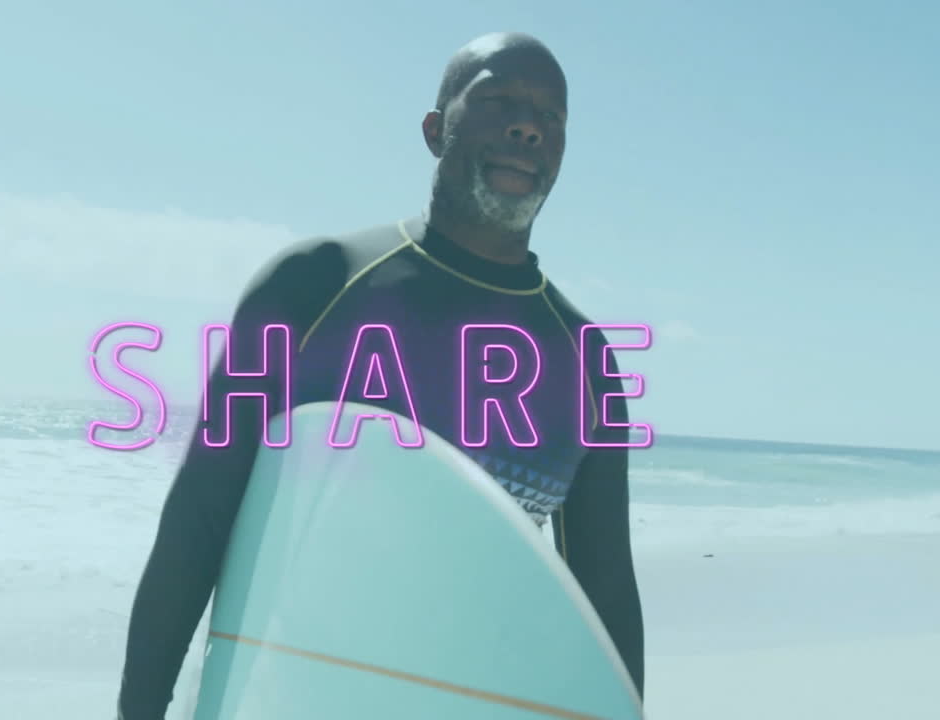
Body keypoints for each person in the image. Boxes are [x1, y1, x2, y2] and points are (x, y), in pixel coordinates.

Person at [117, 31, 645, 718]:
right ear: (435, 130)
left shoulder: (584, 359)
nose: (529, 125)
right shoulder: (313, 286)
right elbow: (198, 524)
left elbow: (603, 592)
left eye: (552, 115)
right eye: (498, 100)